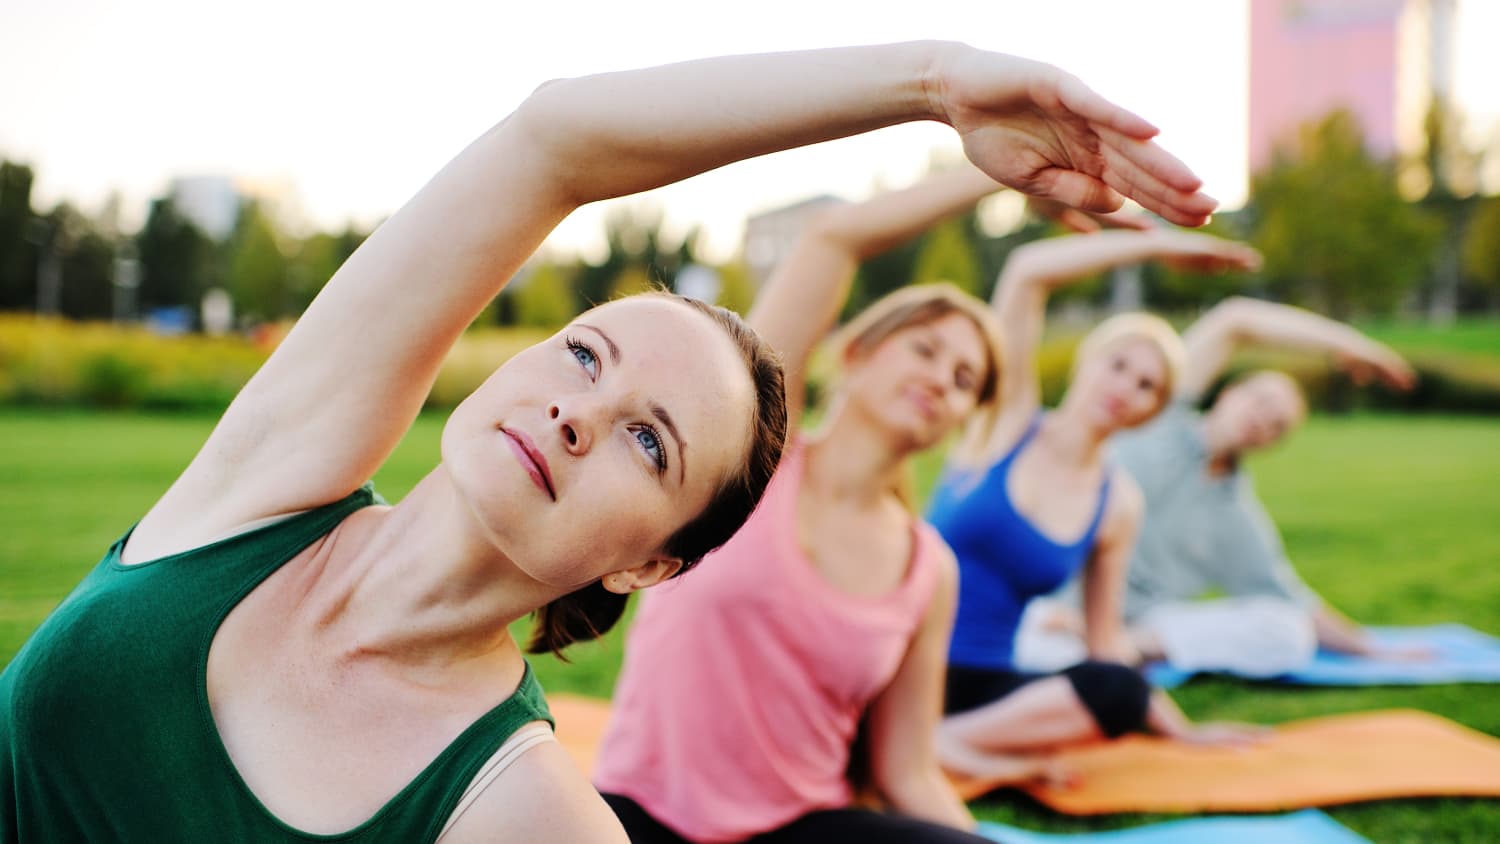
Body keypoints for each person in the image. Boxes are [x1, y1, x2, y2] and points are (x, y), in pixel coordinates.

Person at [0, 41, 1220, 843]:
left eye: (650, 443)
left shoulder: (528, 808)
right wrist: (932, 82)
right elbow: (555, 142)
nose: (579, 411)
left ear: (652, 564)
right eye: (586, 354)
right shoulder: (269, 483)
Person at [593, 165, 1105, 844]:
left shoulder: (929, 569)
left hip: (802, 828)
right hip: (643, 814)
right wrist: (999, 175)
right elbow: (831, 239)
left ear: (961, 418)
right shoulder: (750, 462)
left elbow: (907, 771)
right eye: (924, 348)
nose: (939, 379)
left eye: (963, 380)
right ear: (857, 353)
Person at [927, 228, 1266, 783]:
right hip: (894, 655)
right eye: (1119, 365)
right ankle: (945, 749)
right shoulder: (1005, 422)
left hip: (983, 687)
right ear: (1090, 359)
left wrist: (1180, 731)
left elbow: (1105, 640)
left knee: (1119, 690)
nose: (1125, 387)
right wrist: (1156, 245)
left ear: (1152, 411)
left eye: (1146, 386)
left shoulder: (1117, 503)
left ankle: (933, 746)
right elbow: (1027, 272)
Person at [1015, 295, 1421, 679]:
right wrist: (1350, 345)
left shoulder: (1235, 513)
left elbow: (1293, 600)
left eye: (1277, 424)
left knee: (1287, 631)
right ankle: (1094, 646)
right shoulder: (1156, 410)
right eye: (1260, 401)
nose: (1263, 419)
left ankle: (1122, 647)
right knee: (1031, 646)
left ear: (1271, 445)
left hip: (1141, 624)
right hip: (1060, 605)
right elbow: (1236, 319)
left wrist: (1374, 650)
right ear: (1228, 393)